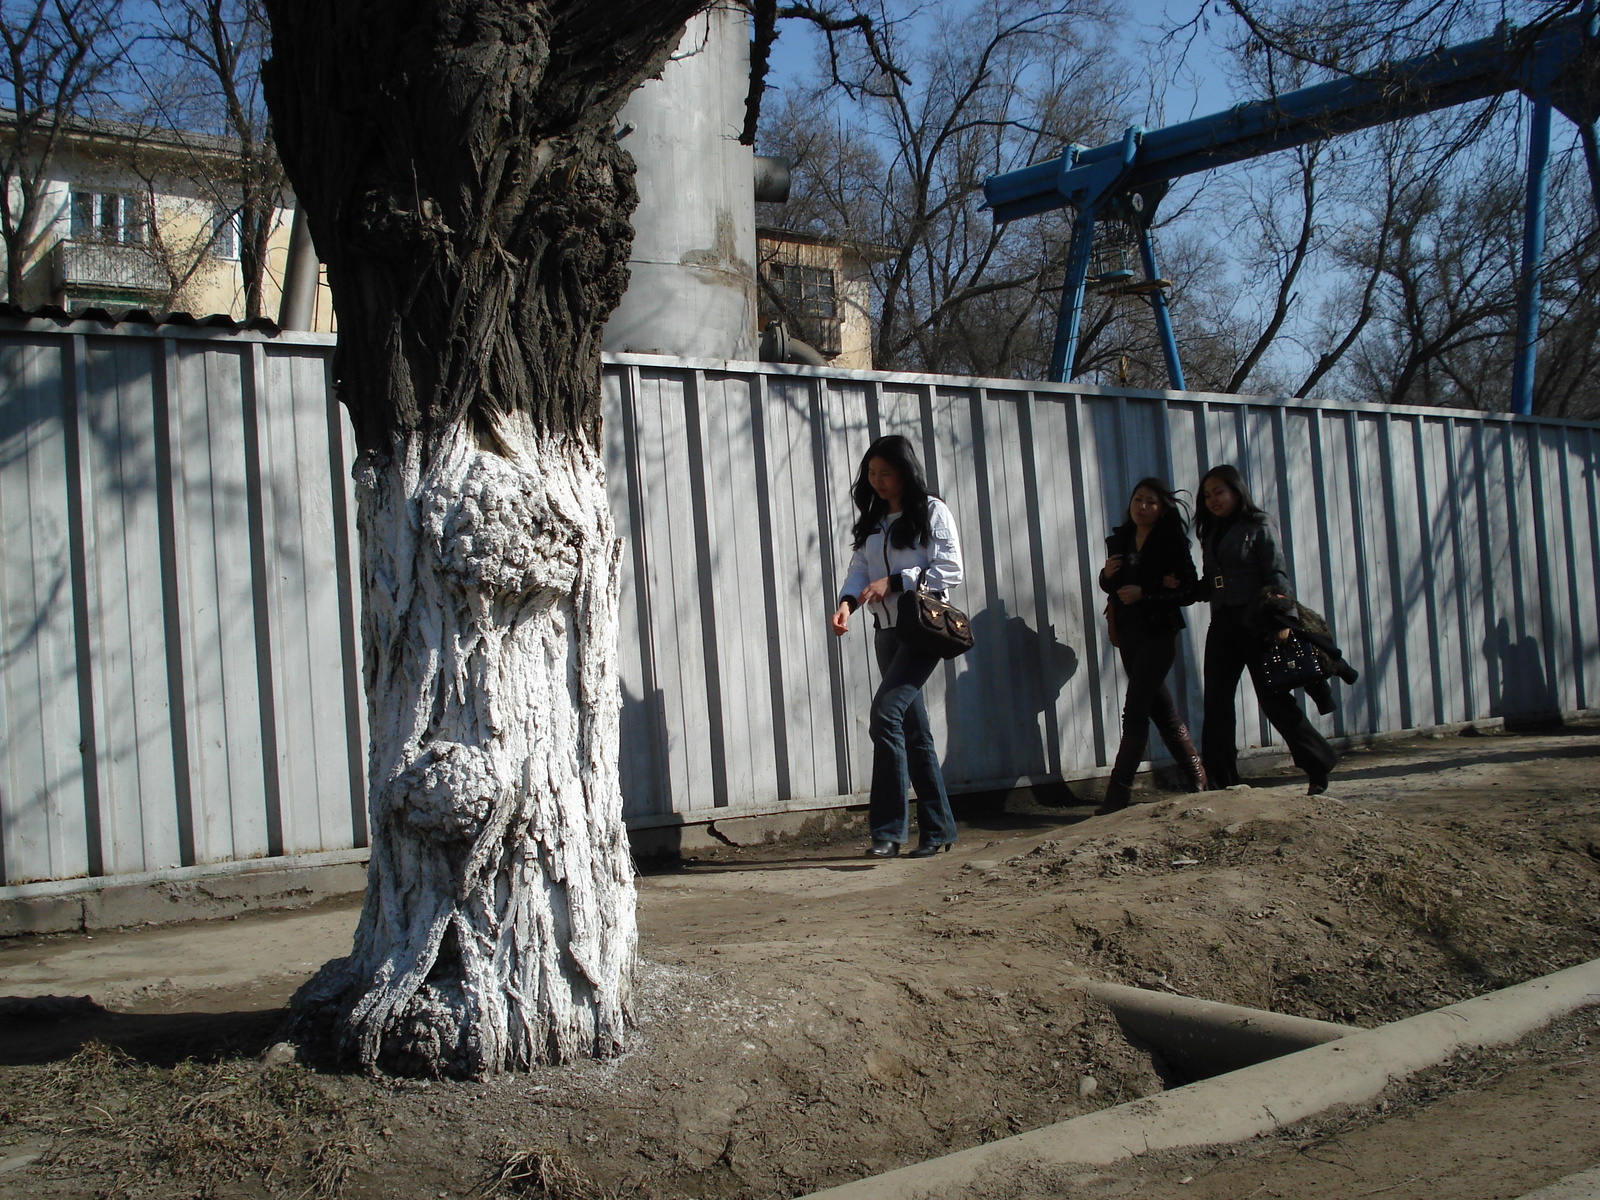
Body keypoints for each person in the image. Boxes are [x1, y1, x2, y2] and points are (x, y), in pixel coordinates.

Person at [830, 435, 963, 859]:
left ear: (905, 472)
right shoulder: (872, 522)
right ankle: (939, 830)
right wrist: (847, 604)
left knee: (885, 714)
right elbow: (859, 570)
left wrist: (898, 581)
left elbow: (950, 568)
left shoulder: (931, 511)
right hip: (884, 633)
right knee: (913, 730)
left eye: (886, 473)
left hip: (921, 630)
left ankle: (888, 831)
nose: (879, 481)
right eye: (872, 474)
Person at [1196, 465, 1338, 794]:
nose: (1213, 500)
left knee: (1273, 699)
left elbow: (1277, 574)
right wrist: (1179, 588)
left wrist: (1282, 621)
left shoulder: (1258, 524)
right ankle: (1222, 779)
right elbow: (1211, 583)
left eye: (1219, 492)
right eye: (1207, 495)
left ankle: (1317, 766)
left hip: (1257, 623)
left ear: (1236, 491)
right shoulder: (1211, 531)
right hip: (1222, 623)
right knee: (1217, 702)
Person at [1096, 477, 1206, 814]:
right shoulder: (1122, 539)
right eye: (1138, 500)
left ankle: (1118, 792)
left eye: (1151, 502)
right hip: (1129, 632)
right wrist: (1105, 575)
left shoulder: (1172, 541)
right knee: (1162, 709)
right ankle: (1198, 777)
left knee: (1136, 706)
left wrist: (1148, 592)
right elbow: (1112, 587)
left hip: (1160, 631)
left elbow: (1190, 590)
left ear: (1162, 509)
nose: (1142, 507)